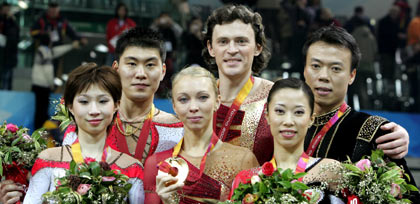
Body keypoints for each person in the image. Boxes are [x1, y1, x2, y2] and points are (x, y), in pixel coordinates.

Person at [301, 26, 419, 202]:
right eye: (316, 66)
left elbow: (408, 198)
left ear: (352, 75)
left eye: (335, 69)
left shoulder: (375, 131)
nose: (324, 76)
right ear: (305, 70)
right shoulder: (283, 125)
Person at [22, 63, 144, 204]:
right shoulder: (48, 159)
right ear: (70, 106)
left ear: (116, 105)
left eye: (103, 101)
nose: (94, 111)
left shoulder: (131, 167)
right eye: (84, 101)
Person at [62, 27, 184, 165]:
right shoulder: (85, 126)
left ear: (162, 72)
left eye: (150, 65)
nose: (140, 74)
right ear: (116, 69)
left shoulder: (177, 129)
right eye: (132, 64)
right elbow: (64, 178)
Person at [144, 66, 259, 203]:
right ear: (174, 107)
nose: (193, 107)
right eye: (183, 99)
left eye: (203, 97)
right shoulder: (157, 164)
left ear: (217, 101)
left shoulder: (243, 159)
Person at [231, 78, 343, 203]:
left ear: (311, 119)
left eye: (299, 112)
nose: (288, 121)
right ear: (267, 116)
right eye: (280, 111)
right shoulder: (247, 179)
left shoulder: (330, 171)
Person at [202, 4, 273, 165]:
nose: (232, 49)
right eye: (223, 42)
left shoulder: (276, 97)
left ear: (258, 48)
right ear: (211, 48)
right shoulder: (198, 97)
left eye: (241, 41)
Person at [31, 33, 80, 129]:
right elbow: (48, 69)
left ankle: (38, 132)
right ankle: (42, 132)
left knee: (39, 110)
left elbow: (57, 51)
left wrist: (71, 46)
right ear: (49, 42)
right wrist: (51, 84)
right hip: (43, 86)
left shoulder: (42, 51)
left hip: (36, 84)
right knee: (42, 111)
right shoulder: (46, 52)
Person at [30, 2, 87, 78]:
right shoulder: (41, 20)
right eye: (51, 11)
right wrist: (45, 34)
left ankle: (53, 88)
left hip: (57, 50)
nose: (53, 13)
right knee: (41, 73)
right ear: (48, 10)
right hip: (43, 51)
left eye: (55, 11)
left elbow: (71, 32)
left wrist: (80, 39)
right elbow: (33, 32)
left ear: (58, 10)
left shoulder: (62, 21)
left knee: (54, 72)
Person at [0, 2, 19, 90]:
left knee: (7, 78)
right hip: (2, 54)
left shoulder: (13, 22)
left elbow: (15, 37)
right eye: (5, 10)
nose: (7, 12)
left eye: (8, 10)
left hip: (8, 56)